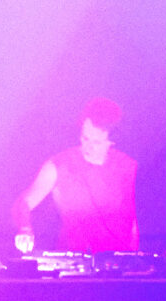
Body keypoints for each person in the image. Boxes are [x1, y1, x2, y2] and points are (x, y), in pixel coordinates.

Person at [12, 98, 138, 253]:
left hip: (119, 261)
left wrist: (135, 257)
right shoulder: (60, 165)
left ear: (112, 142)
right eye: (85, 138)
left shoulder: (128, 168)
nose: (88, 147)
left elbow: (134, 222)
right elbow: (23, 203)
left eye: (97, 142)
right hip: (73, 261)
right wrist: (25, 229)